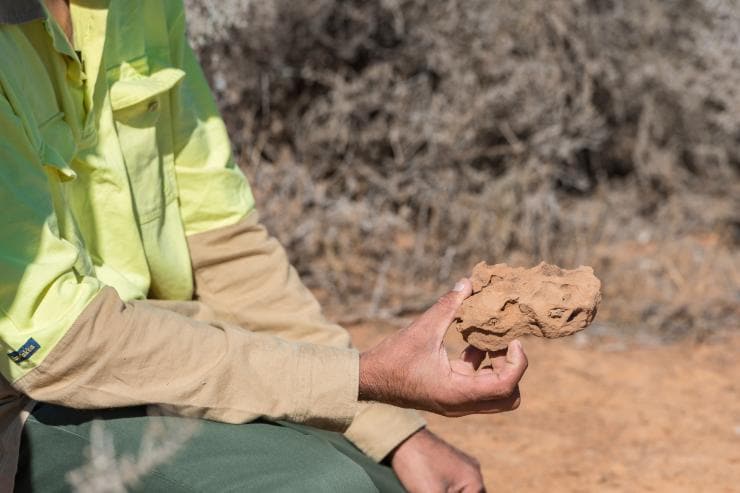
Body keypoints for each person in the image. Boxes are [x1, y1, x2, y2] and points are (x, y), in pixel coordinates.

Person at [0, 0, 528, 491]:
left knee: (389, 482)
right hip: (34, 400)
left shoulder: (143, 8)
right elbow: (61, 345)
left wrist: (394, 430)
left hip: (172, 371)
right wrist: (362, 378)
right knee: (323, 484)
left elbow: (229, 254)